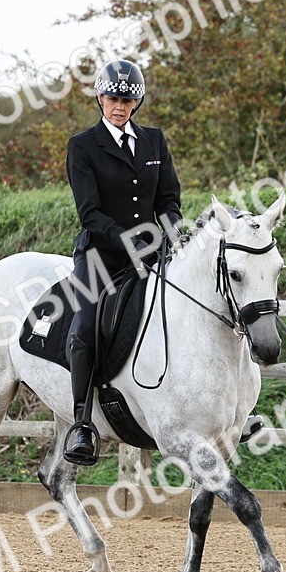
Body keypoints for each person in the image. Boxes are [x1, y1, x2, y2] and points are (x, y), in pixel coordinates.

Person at [62, 59, 184, 465]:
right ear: (100, 97)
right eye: (113, 98)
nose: (120, 106)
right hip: (100, 254)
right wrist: (131, 242)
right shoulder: (82, 146)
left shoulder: (154, 141)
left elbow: (168, 200)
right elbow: (90, 213)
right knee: (83, 326)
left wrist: (169, 233)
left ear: (137, 102)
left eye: (127, 100)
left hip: (151, 252)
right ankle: (82, 423)